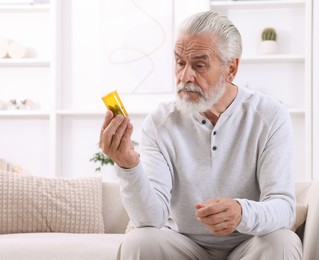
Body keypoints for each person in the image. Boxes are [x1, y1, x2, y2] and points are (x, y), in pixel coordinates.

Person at [99, 11, 302, 260]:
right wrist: (128, 166)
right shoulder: (160, 123)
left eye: (199, 65)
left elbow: (283, 207)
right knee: (140, 240)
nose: (185, 77)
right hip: (183, 245)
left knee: (283, 241)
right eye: (180, 62)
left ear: (231, 68)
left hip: (249, 246)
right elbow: (150, 219)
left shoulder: (271, 116)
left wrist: (242, 212)